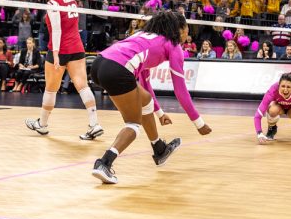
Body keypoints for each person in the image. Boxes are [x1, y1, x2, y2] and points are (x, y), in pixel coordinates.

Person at [89, 10, 211, 184]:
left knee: (144, 99)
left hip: (99, 64)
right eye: (186, 30)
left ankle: (159, 148)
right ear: (178, 30)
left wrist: (160, 113)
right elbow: (180, 90)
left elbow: (145, 84)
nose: (187, 34)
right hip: (117, 70)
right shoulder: (174, 46)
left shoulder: (144, 35)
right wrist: (198, 123)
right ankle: (104, 163)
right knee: (133, 124)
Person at [25, 0, 102, 140]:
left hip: (59, 49)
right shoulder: (72, 1)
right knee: (83, 86)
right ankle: (94, 124)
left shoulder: (53, 4)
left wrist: (57, 54)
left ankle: (42, 125)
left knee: (51, 89)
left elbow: (57, 31)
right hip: (77, 48)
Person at [254, 72, 291, 144]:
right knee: (272, 110)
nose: (285, 90)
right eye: (283, 86)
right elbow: (258, 115)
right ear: (279, 85)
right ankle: (272, 127)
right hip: (279, 106)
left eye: (288, 87)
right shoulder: (272, 90)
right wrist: (259, 133)